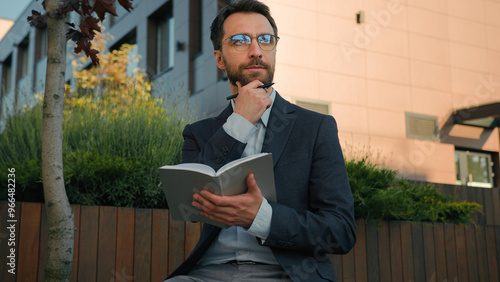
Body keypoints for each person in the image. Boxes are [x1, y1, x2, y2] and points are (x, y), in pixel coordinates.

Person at [165, 0, 356, 281]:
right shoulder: (199, 132)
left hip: (287, 274)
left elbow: (341, 231)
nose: (256, 51)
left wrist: (262, 217)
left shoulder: (315, 128)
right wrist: (238, 124)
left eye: (265, 40)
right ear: (220, 58)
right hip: (208, 273)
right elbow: (190, 204)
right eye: (240, 41)